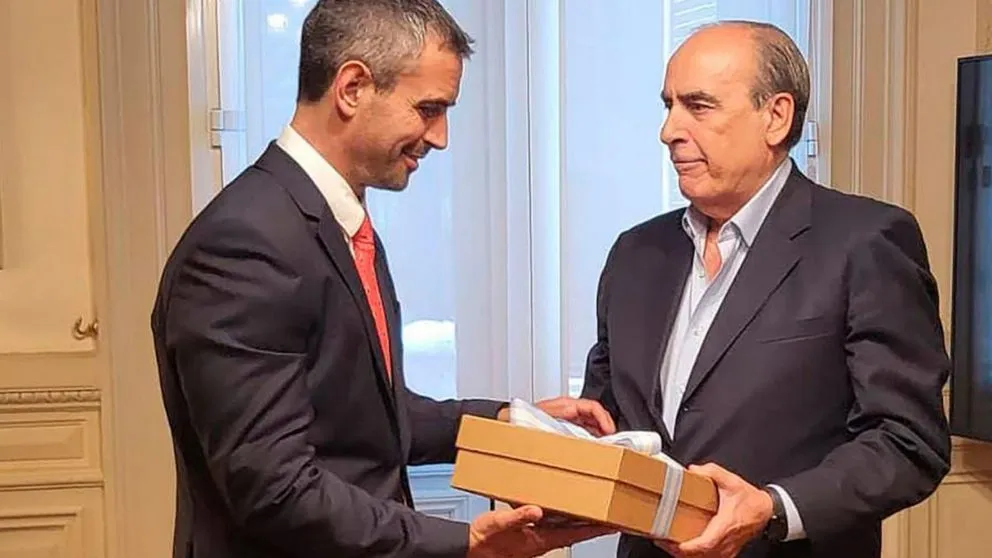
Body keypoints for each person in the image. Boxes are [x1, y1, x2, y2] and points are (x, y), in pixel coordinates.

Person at [150, 1, 615, 557]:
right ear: (352, 88)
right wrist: (464, 543)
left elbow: (361, 416)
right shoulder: (247, 242)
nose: (439, 137)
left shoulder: (331, 223)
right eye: (428, 109)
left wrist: (508, 420)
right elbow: (274, 488)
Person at [579, 20, 952, 558]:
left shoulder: (865, 241)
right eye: (668, 106)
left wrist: (774, 509)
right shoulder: (635, 253)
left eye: (698, 106)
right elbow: (610, 417)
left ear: (775, 116)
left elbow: (907, 441)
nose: (669, 130)